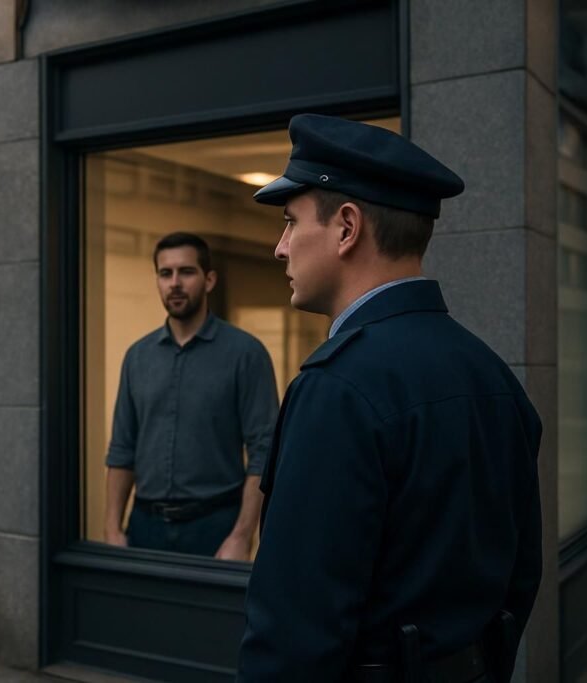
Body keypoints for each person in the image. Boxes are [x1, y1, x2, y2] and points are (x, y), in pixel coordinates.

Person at [236, 114, 542, 682]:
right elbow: (520, 578)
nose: (280, 248)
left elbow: (295, 629)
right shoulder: (494, 377)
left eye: (289, 222)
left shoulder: (338, 388)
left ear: (347, 227)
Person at [104, 232, 279, 560]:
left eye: (186, 272)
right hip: (144, 526)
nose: (174, 283)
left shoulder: (246, 354)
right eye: (165, 273)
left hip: (215, 526)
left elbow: (264, 452)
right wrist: (113, 529)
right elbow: (121, 449)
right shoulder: (137, 357)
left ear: (209, 279)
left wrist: (242, 535)